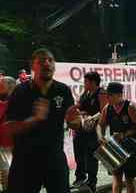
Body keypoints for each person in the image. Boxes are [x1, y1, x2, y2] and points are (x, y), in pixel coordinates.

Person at [5, 48, 82, 193]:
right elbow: (9, 127)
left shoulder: (63, 90)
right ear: (32, 65)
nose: (47, 63)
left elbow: (75, 123)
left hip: (54, 158)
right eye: (42, 61)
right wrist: (34, 119)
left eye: (50, 60)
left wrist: (75, 121)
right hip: (25, 161)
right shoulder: (20, 92)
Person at [96, 82, 136, 193]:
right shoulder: (108, 108)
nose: (107, 98)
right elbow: (100, 124)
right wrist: (100, 136)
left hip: (130, 148)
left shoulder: (130, 107)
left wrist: (124, 134)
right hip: (115, 147)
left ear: (119, 95)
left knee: (129, 179)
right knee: (116, 177)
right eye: (107, 95)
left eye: (110, 95)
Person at [72, 72, 102, 192]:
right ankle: (80, 177)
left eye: (86, 82)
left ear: (93, 82)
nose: (84, 84)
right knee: (78, 151)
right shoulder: (85, 93)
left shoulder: (101, 93)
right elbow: (79, 106)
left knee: (91, 155)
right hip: (82, 128)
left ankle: (92, 181)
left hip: (94, 129)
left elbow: (104, 110)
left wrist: (92, 117)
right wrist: (74, 110)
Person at [0, 76, 16, 192]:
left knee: (7, 167)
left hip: (10, 141)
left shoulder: (17, 103)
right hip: (6, 141)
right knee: (6, 168)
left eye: (1, 87)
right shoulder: (20, 101)